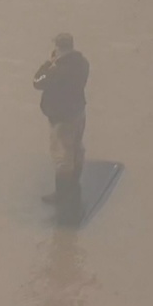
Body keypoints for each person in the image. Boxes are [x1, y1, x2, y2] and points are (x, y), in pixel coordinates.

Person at [33, 33, 90, 226]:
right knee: (77, 148)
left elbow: (37, 81)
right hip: (78, 113)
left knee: (62, 156)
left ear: (58, 48)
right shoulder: (83, 63)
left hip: (62, 119)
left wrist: (48, 64)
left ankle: (62, 195)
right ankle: (74, 185)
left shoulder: (56, 70)